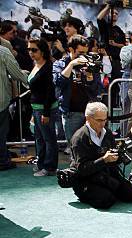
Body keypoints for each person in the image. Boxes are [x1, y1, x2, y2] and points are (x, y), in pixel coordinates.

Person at [70, 102, 132, 209]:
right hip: (86, 178)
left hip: (105, 174)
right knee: (106, 200)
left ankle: (107, 189)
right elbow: (82, 169)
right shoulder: (79, 138)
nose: (103, 123)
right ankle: (86, 193)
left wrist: (117, 157)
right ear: (88, 118)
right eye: (99, 120)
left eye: (105, 120)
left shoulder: (107, 133)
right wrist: (104, 160)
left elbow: (113, 158)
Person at [53, 35, 102, 156]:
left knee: (93, 147)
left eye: (85, 53)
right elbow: (58, 82)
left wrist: (90, 77)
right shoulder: (61, 64)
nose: (83, 56)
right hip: (71, 112)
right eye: (80, 53)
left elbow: (96, 89)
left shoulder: (89, 63)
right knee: (75, 147)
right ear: (71, 49)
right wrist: (71, 65)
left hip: (89, 111)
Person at [27, 38, 60, 176]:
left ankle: (50, 167)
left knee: (49, 138)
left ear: (42, 51)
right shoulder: (36, 64)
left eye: (34, 50)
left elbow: (49, 92)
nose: (31, 52)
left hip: (45, 108)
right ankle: (42, 164)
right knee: (39, 138)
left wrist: (46, 113)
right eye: (29, 49)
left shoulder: (48, 67)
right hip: (36, 108)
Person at [0, 44, 28, 171]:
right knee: (1, 133)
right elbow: (17, 74)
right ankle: (2, 161)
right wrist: (29, 77)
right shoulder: (3, 52)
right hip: (0, 101)